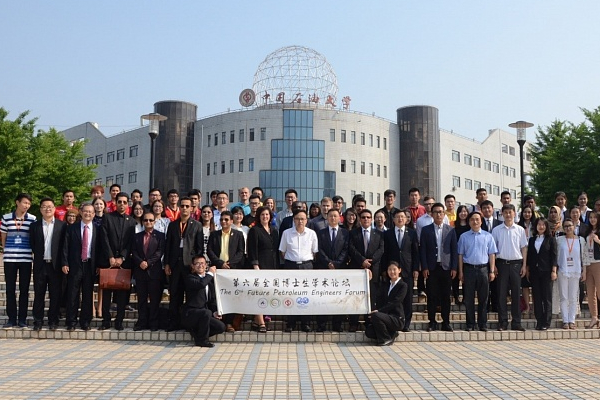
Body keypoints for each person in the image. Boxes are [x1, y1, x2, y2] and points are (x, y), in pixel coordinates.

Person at [164, 196, 204, 331]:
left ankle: (189, 324)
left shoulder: (197, 225)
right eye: (182, 206)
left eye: (187, 206)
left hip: (189, 266)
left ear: (192, 208)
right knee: (175, 294)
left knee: (191, 295)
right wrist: (167, 264)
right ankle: (173, 323)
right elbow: (168, 245)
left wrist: (196, 264)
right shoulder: (173, 224)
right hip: (175, 265)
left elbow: (199, 248)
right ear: (179, 207)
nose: (185, 208)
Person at [98, 192, 137, 331]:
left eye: (124, 202)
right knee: (107, 292)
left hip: (124, 263)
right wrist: (110, 257)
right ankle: (106, 320)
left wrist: (122, 258)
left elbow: (131, 242)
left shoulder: (132, 221)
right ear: (115, 203)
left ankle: (119, 321)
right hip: (108, 261)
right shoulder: (107, 218)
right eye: (119, 202)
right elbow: (104, 238)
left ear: (128, 204)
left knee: (121, 294)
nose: (121, 204)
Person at [419, 203, 458, 332]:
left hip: (446, 268)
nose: (438, 214)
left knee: (446, 296)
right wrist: (424, 267)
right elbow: (422, 250)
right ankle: (432, 322)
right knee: (432, 296)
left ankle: (446, 322)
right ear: (432, 214)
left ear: (444, 214)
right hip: (431, 268)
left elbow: (454, 250)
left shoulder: (450, 230)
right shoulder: (426, 230)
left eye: (441, 212)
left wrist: (454, 267)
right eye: (436, 212)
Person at [29, 197, 66, 331]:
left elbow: (64, 246)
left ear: (55, 209)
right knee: (39, 294)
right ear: (40, 209)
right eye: (44, 206)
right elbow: (33, 244)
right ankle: (38, 321)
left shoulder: (62, 226)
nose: (47, 209)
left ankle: (53, 321)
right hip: (40, 265)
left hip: (55, 266)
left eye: (50, 206)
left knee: (55, 295)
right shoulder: (34, 226)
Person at [279, 209, 318, 332]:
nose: (300, 221)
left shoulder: (312, 234)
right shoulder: (286, 233)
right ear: (293, 220)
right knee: (291, 294)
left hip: (307, 266)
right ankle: (291, 323)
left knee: (305, 295)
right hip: (291, 266)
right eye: (297, 219)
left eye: (302, 219)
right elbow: (282, 251)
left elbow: (315, 252)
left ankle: (305, 323)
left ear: (306, 220)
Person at [458, 211, 497, 331]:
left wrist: (491, 271)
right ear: (469, 222)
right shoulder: (463, 236)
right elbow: (460, 255)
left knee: (483, 298)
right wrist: (461, 272)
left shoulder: (488, 236)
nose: (475, 221)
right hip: (469, 269)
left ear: (481, 221)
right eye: (472, 220)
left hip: (483, 270)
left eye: (477, 219)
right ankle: (470, 324)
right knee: (469, 299)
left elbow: (492, 254)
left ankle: (482, 324)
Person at [0, 193, 36, 328]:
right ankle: (11, 319)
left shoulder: (32, 219)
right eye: (24, 203)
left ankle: (22, 319)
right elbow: (3, 237)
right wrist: (6, 250)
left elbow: (33, 238)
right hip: (10, 258)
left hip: (26, 258)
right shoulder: (6, 218)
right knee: (10, 289)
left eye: (28, 204)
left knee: (24, 289)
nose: (26, 206)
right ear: (17, 202)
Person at [61, 203, 98, 331]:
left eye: (91, 212)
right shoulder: (72, 228)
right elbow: (65, 247)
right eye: (85, 211)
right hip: (74, 265)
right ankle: (71, 322)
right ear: (81, 213)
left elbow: (100, 249)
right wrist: (64, 263)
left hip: (90, 265)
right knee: (73, 294)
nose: (88, 214)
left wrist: (99, 266)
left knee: (88, 295)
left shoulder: (97, 229)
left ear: (94, 214)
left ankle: (85, 321)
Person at [207, 210, 246, 332]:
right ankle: (219, 320)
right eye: (222, 219)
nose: (224, 222)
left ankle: (229, 322)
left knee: (231, 296)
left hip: (232, 270)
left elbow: (241, 252)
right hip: (218, 270)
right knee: (217, 296)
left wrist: (229, 264)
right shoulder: (214, 235)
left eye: (226, 220)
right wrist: (220, 263)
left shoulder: (238, 234)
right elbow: (209, 251)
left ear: (231, 221)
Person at [347, 209, 385, 332]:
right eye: (363, 217)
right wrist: (362, 260)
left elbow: (381, 249)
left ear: (372, 219)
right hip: (357, 269)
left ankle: (369, 321)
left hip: (373, 270)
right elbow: (351, 249)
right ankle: (354, 322)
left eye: (368, 217)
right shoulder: (353, 233)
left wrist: (370, 262)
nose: (366, 219)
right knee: (356, 297)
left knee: (371, 298)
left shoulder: (378, 234)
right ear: (360, 219)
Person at [492, 204, 528, 331]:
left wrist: (524, 265)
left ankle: (516, 322)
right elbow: (493, 250)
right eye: (505, 212)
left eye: (510, 212)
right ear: (502, 214)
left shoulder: (520, 230)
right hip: (501, 264)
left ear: (514, 213)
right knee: (501, 294)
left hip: (516, 265)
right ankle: (502, 322)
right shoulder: (496, 230)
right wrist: (494, 266)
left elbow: (524, 248)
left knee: (516, 294)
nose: (508, 215)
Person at [382, 209, 419, 331]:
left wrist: (415, 268)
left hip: (407, 269)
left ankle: (406, 323)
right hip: (392, 271)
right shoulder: (388, 234)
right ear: (393, 220)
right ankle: (392, 320)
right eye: (397, 217)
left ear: (406, 219)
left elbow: (415, 252)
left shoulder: (412, 233)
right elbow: (385, 252)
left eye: (402, 217)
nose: (400, 219)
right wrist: (384, 269)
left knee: (407, 298)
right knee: (392, 297)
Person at [315, 209, 350, 332]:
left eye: (335, 216)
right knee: (323, 297)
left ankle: (337, 324)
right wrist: (328, 262)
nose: (333, 218)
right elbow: (318, 249)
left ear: (339, 218)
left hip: (339, 270)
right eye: (330, 216)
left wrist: (336, 263)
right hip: (324, 269)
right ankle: (321, 324)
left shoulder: (345, 233)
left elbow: (346, 250)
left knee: (338, 298)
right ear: (327, 218)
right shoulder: (321, 233)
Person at [247, 206, 279, 332]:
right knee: (259, 293)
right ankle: (260, 322)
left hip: (272, 265)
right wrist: (255, 265)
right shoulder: (255, 230)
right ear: (258, 217)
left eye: (267, 214)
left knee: (268, 294)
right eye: (262, 215)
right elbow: (252, 249)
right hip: (260, 265)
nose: (265, 217)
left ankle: (257, 320)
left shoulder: (274, 230)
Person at [131, 212, 166, 331]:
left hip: (154, 272)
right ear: (143, 221)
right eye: (146, 220)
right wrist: (140, 262)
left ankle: (154, 323)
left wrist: (148, 262)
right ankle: (141, 322)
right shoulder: (137, 236)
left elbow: (159, 252)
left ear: (154, 222)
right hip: (140, 272)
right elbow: (134, 251)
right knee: (141, 299)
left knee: (155, 299)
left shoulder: (160, 236)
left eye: (151, 220)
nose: (148, 222)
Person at [181, 255, 225, 347]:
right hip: (191, 313)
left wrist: (215, 312)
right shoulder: (190, 278)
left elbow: (212, 300)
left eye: (202, 263)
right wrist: (210, 273)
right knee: (206, 313)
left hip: (205, 314)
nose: (200, 265)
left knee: (220, 327)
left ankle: (198, 335)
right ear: (192, 266)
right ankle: (202, 341)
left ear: (206, 265)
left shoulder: (209, 281)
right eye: (197, 263)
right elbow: (201, 284)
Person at [557, 218, 589, 329]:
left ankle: (572, 320)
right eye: (565, 226)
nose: (568, 228)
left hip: (575, 271)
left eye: (570, 225)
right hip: (563, 271)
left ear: (574, 226)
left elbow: (584, 256)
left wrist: (584, 271)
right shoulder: (559, 240)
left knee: (573, 297)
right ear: (563, 228)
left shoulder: (580, 240)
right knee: (564, 297)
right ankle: (565, 320)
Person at [365, 262, 407, 346]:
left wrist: (378, 311)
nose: (392, 272)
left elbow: (395, 302)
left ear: (399, 270)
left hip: (396, 318)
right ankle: (391, 333)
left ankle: (386, 339)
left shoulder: (403, 285)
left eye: (394, 269)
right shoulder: (386, 285)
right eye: (390, 270)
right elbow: (378, 298)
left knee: (376, 315)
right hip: (386, 318)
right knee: (369, 332)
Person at [526, 217, 557, 331]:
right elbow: (529, 256)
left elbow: (554, 257)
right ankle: (539, 321)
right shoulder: (532, 240)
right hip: (534, 272)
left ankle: (546, 322)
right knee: (537, 297)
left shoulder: (551, 239)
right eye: (539, 224)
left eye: (543, 224)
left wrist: (554, 271)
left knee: (547, 297)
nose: (541, 226)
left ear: (546, 226)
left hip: (547, 272)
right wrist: (528, 269)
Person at [585, 211, 600, 328]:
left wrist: (598, 241)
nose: (592, 219)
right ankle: (594, 317)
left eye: (595, 217)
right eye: (590, 217)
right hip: (588, 263)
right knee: (590, 293)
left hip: (598, 263)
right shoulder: (586, 231)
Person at [452, 205, 470, 305]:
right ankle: (456, 297)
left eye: (465, 211)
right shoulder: (454, 226)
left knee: (465, 278)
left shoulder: (470, 226)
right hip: (456, 254)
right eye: (461, 212)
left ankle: (465, 297)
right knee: (455, 277)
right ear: (458, 214)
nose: (463, 214)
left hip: (467, 255)